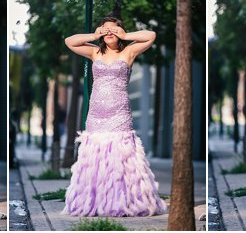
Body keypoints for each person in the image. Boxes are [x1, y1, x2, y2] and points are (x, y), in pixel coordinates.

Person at [62, 16, 167, 217]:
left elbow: (151, 35)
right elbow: (69, 41)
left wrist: (126, 35)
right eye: (105, 29)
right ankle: (96, 202)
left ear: (120, 33)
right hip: (96, 116)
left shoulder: (129, 52)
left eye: (114, 29)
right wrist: (94, 35)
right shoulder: (94, 52)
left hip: (119, 115)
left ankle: (124, 202)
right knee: (96, 161)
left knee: (121, 159)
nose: (109, 32)